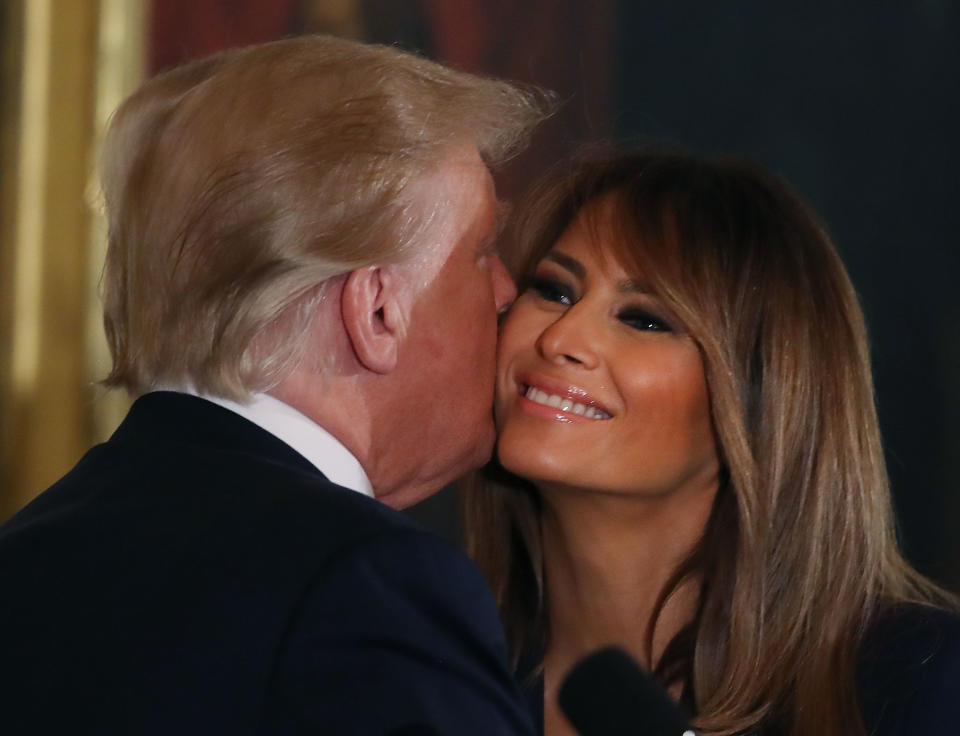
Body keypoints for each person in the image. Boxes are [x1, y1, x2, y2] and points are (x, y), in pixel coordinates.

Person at [0, 36, 550, 735]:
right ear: (376, 311)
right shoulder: (364, 584)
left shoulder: (26, 553)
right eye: (480, 253)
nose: (506, 292)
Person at [463, 148, 960, 736]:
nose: (562, 338)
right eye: (554, 289)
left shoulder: (919, 681)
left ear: (763, 403)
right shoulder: (430, 671)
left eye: (644, 319)